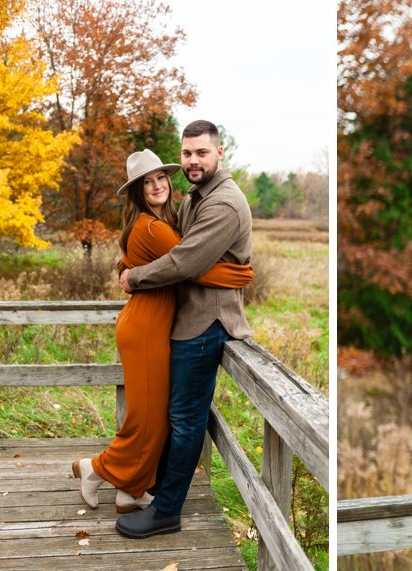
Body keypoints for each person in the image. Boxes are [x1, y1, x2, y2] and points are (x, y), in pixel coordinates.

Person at [76, 149, 253, 518]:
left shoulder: (166, 220)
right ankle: (94, 469)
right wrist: (240, 275)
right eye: (147, 182)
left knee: (153, 416)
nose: (157, 186)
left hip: (155, 324)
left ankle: (131, 488)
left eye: (161, 178)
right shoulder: (152, 227)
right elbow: (193, 268)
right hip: (144, 327)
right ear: (138, 191)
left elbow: (183, 261)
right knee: (147, 417)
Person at [116, 121, 258, 539]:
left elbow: (185, 263)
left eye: (201, 153)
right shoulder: (198, 196)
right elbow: (182, 256)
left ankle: (167, 510)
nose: (192, 160)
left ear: (219, 153)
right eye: (187, 153)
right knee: (176, 415)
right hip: (187, 321)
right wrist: (236, 274)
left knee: (185, 418)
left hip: (206, 324)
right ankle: (157, 489)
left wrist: (135, 277)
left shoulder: (223, 204)